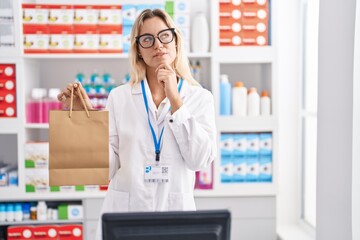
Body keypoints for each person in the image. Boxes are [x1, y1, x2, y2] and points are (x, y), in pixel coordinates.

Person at [57, 8, 216, 240]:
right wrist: (87, 119)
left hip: (175, 217)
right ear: (139, 50)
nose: (158, 45)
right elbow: (108, 168)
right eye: (147, 40)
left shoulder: (200, 98)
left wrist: (176, 100)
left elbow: (199, 159)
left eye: (164, 36)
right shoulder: (119, 97)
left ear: (176, 41)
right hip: (125, 217)